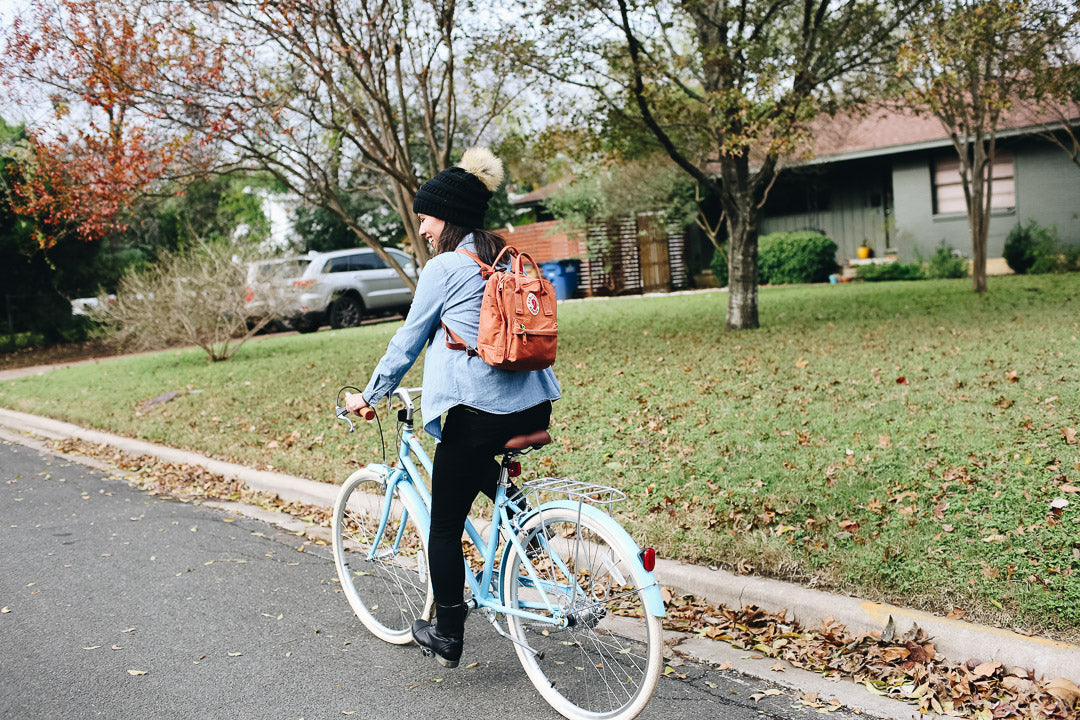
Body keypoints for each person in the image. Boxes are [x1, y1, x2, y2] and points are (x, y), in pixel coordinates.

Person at [344, 148, 561, 668]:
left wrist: (369, 395)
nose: (420, 229)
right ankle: (529, 525)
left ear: (448, 219)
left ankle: (447, 632)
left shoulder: (445, 266)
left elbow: (408, 341)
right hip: (533, 405)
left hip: (477, 411)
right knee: (474, 461)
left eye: (425, 218)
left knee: (443, 527)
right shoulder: (507, 256)